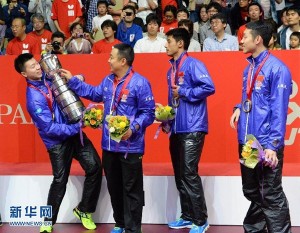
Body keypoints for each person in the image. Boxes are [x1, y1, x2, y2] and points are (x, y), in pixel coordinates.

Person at [61, 43, 155, 233]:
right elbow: (94, 93)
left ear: (123, 61)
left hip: (131, 146)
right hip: (109, 146)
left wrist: (134, 127)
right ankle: (120, 223)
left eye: (111, 57)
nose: (108, 60)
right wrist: (72, 81)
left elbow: (149, 113)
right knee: (114, 187)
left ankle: (133, 228)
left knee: (132, 190)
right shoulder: (108, 80)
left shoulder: (140, 83)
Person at [14, 53, 102, 233]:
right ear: (24, 74)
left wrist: (79, 78)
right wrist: (76, 127)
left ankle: (84, 210)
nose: (38, 67)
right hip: (57, 142)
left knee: (95, 167)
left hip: (74, 133)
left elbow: (72, 80)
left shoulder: (49, 76)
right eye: (32, 67)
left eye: (36, 64)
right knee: (59, 180)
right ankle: (48, 220)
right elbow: (49, 128)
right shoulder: (33, 98)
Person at [230, 21, 292, 233]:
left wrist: (273, 145)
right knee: (251, 189)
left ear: (257, 40)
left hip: (265, 143)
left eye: (245, 36)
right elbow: (253, 97)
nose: (241, 40)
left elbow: (279, 109)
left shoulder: (278, 69)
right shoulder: (250, 68)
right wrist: (239, 107)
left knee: (270, 193)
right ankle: (256, 228)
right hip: (248, 142)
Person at [164, 28, 215, 233]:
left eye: (168, 41)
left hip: (193, 127)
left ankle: (201, 220)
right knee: (180, 174)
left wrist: (184, 91)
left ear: (180, 44)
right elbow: (173, 99)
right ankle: (187, 216)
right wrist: (166, 118)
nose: (165, 45)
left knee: (188, 173)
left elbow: (209, 87)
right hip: (176, 127)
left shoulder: (194, 64)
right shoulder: (171, 70)